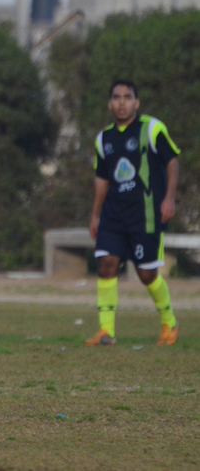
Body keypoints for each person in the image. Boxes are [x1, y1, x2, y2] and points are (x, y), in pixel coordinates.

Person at [85, 79, 180, 346]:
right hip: (113, 215)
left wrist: (169, 198)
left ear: (136, 102)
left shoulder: (151, 128)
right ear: (109, 103)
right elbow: (102, 178)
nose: (122, 102)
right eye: (116, 97)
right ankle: (106, 331)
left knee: (147, 274)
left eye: (127, 97)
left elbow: (172, 161)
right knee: (106, 265)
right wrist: (95, 214)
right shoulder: (104, 138)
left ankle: (170, 323)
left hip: (147, 214)